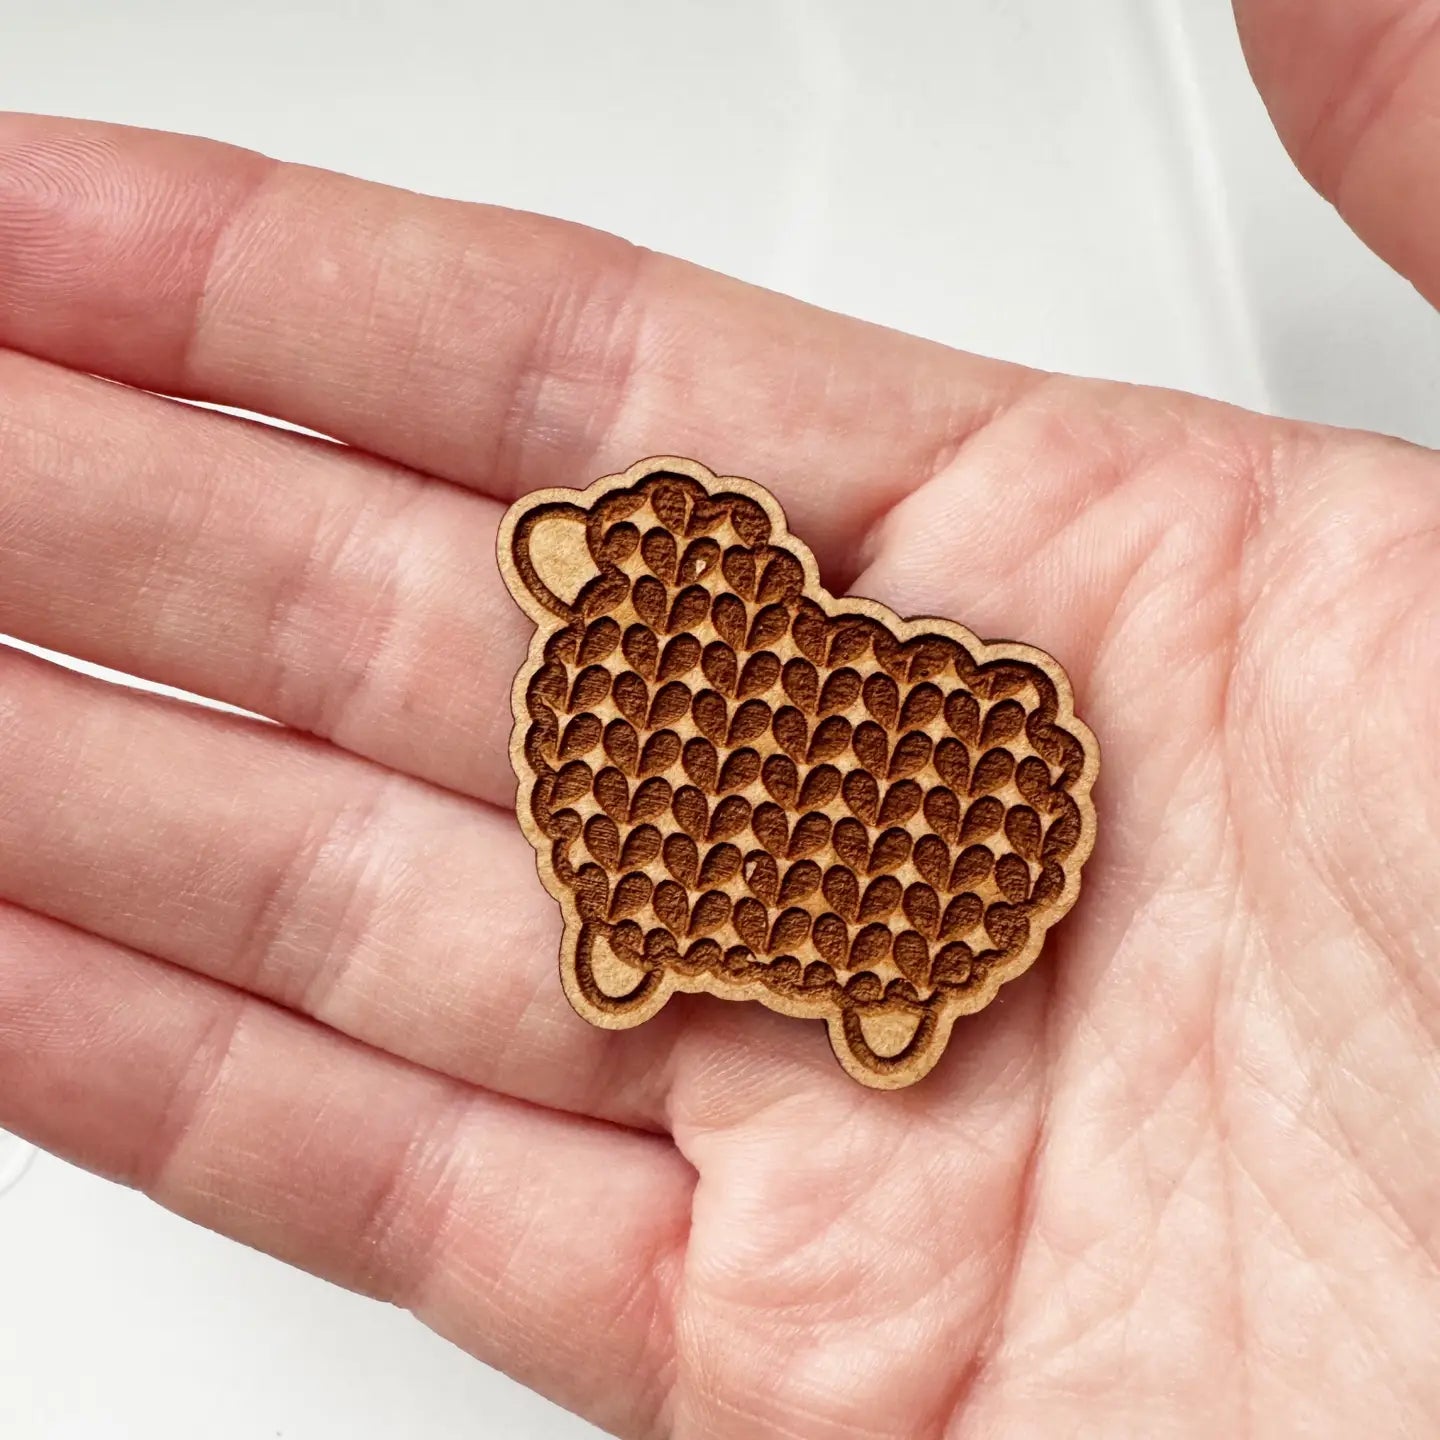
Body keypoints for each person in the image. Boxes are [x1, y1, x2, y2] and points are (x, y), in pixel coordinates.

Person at [0, 3, 1436, 1435]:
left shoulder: (745, 716)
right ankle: (832, 958)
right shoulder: (668, 716)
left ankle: (843, 955)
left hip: (908, 841)